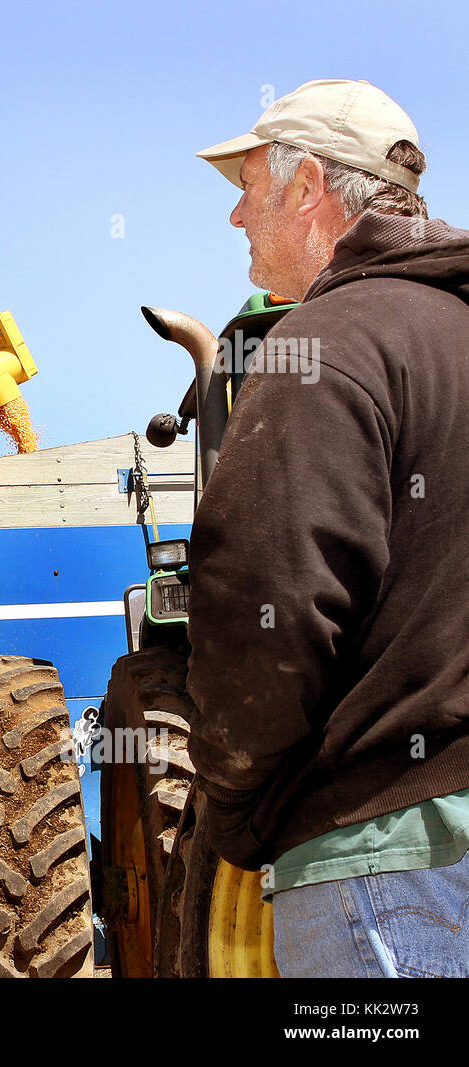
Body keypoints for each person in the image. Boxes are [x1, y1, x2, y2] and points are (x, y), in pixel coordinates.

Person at [186, 80, 469, 977]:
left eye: (250, 184)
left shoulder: (325, 348)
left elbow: (265, 609)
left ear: (307, 186)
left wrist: (236, 809)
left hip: (381, 864)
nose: (235, 215)